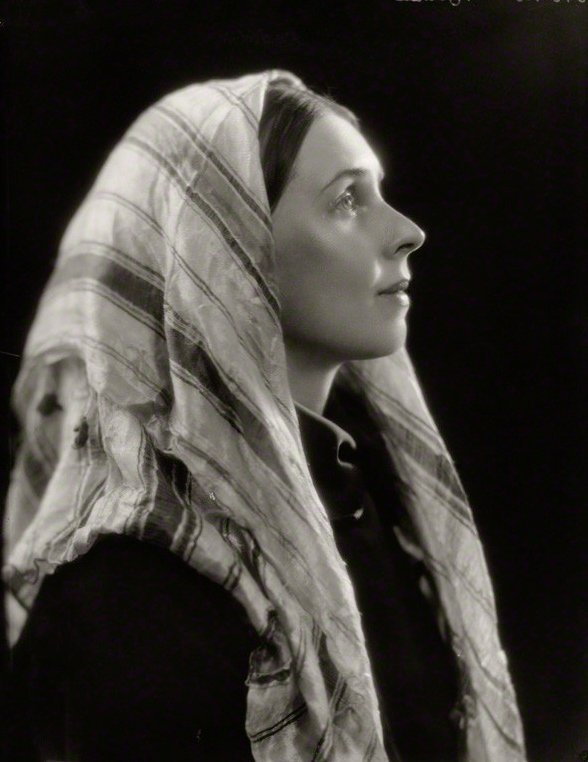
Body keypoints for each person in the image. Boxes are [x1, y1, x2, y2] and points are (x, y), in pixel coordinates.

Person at [4, 70, 527, 761]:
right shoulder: (126, 597)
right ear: (221, 253)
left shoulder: (374, 517)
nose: (408, 232)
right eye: (347, 200)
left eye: (379, 194)